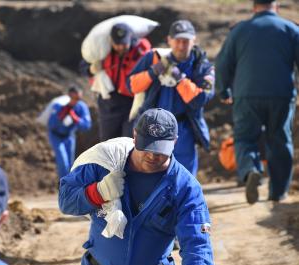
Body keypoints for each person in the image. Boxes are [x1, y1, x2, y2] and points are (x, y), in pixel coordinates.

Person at [59, 108, 214, 265]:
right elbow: (66, 201)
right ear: (134, 135)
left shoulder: (185, 188)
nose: (152, 155)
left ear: (175, 142)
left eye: (160, 150)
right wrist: (98, 192)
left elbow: (197, 245)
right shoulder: (104, 164)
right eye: (146, 146)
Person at [215, 0, 299, 204]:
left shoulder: (240, 30)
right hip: (281, 94)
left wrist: (223, 90)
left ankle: (251, 170)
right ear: (276, 6)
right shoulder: (290, 29)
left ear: (254, 8)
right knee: (280, 140)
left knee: (245, 138)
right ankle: (278, 192)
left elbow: (222, 62)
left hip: (246, 95)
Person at [127, 20, 215, 177]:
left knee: (183, 179)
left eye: (186, 41)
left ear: (194, 40)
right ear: (169, 40)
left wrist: (179, 79)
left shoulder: (203, 66)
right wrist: (154, 71)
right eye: (178, 41)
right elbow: (131, 85)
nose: (181, 46)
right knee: (150, 176)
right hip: (152, 129)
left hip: (184, 131)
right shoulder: (154, 58)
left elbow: (200, 99)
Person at [81, 23, 152, 141]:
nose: (120, 47)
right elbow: (83, 67)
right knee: (108, 143)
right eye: (117, 44)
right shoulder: (102, 50)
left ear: (130, 39)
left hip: (132, 103)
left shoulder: (141, 52)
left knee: (128, 142)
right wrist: (91, 69)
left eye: (124, 44)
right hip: (108, 103)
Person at [48, 85, 92, 179]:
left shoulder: (81, 107)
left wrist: (76, 119)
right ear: (68, 96)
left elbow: (87, 125)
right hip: (56, 135)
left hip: (69, 135)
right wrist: (59, 117)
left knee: (70, 164)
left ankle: (69, 186)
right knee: (63, 162)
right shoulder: (59, 105)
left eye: (78, 98)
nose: (76, 101)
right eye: (74, 98)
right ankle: (64, 187)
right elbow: (51, 125)